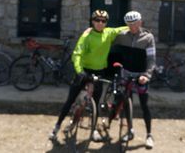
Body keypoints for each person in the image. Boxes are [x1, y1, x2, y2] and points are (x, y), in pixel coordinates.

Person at [49, 10, 128, 142]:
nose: (100, 23)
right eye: (97, 20)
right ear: (92, 21)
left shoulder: (108, 33)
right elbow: (77, 54)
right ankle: (56, 127)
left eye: (103, 21)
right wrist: (79, 71)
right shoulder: (87, 36)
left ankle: (94, 129)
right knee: (70, 100)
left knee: (96, 104)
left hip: (99, 71)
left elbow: (122, 29)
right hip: (84, 71)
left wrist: (138, 27)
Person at [111, 10, 156, 149]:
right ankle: (130, 130)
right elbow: (114, 53)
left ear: (140, 22)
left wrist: (147, 75)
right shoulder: (121, 36)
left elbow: (151, 59)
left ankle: (149, 135)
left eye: (135, 24)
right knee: (126, 103)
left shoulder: (148, 38)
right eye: (129, 25)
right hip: (126, 74)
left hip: (141, 76)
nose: (133, 27)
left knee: (144, 105)